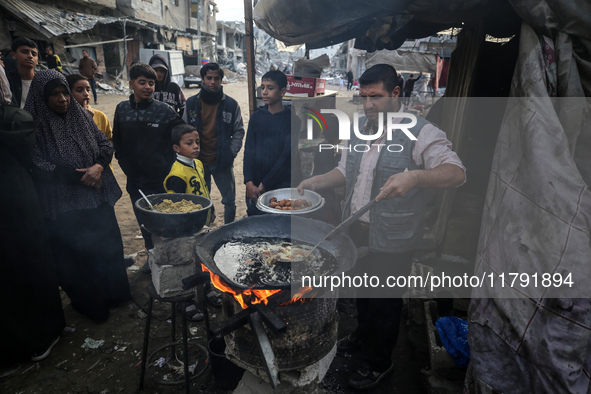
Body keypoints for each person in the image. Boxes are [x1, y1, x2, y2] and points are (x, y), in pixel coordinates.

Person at [297, 64, 465, 390]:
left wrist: (415, 176)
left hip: (394, 238)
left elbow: (456, 172)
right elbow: (347, 172)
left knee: (385, 303)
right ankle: (362, 336)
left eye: (376, 97)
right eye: (363, 97)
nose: (368, 105)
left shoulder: (421, 131)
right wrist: (318, 181)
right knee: (362, 292)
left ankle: (379, 363)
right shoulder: (361, 128)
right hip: (358, 229)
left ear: (396, 94)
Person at [25, 70, 131, 323]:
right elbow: (36, 163)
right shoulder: (34, 124)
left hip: (97, 197)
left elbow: (106, 145)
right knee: (78, 254)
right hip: (65, 204)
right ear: (42, 96)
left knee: (106, 246)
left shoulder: (81, 115)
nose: (62, 99)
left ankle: (115, 294)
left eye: (64, 93)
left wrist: (98, 166)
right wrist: (81, 177)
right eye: (55, 94)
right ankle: (91, 303)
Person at [0, 103, 66, 378]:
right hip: (18, 203)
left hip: (15, 202)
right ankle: (40, 336)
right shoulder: (11, 121)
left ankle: (27, 343)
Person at [113, 63, 184, 272]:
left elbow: (183, 135)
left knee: (164, 223)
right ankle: (152, 259)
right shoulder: (121, 109)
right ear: (131, 84)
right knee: (144, 223)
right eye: (142, 82)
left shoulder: (165, 111)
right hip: (135, 180)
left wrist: (170, 164)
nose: (147, 87)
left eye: (151, 83)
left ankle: (169, 261)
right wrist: (124, 164)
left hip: (161, 180)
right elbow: (117, 140)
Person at [163, 123, 221, 319]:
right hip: (187, 229)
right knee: (187, 263)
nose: (196, 146)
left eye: (197, 142)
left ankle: (207, 290)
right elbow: (177, 207)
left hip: (202, 223)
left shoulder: (198, 164)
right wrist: (186, 227)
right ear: (177, 148)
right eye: (189, 143)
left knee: (203, 259)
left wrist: (210, 208)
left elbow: (203, 191)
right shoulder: (176, 175)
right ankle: (186, 301)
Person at [183, 62, 245, 224]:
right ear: (202, 79)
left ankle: (228, 231)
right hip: (198, 163)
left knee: (229, 201)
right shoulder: (191, 104)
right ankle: (206, 229)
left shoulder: (231, 105)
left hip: (222, 161)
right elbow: (183, 131)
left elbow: (238, 131)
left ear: (221, 80)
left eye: (216, 78)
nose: (212, 82)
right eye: (209, 78)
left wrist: (230, 152)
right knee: (202, 201)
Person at [243, 70, 301, 216]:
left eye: (270, 88)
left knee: (278, 226)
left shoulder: (293, 120)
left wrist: (264, 184)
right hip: (255, 186)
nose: (264, 92)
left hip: (281, 184)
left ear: (282, 92)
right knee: (255, 225)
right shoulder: (256, 117)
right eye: (262, 87)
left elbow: (286, 157)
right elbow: (249, 151)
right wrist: (249, 182)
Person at [7, 37, 38, 108]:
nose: (30, 56)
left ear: (37, 60)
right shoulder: (8, 82)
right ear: (14, 55)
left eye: (34, 54)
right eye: (24, 52)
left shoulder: (44, 82)